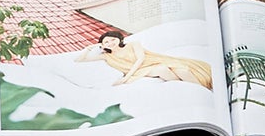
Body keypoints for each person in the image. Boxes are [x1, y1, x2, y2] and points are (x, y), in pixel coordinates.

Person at [77, 27, 213, 90]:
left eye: (112, 40)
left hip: (149, 62)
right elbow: (80, 60)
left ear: (119, 39)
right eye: (106, 42)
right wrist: (89, 48)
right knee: (162, 70)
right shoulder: (106, 56)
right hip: (141, 71)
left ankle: (204, 90)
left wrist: (125, 78)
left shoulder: (133, 44)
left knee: (185, 70)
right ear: (102, 45)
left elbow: (140, 59)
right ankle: (188, 89)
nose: (110, 43)